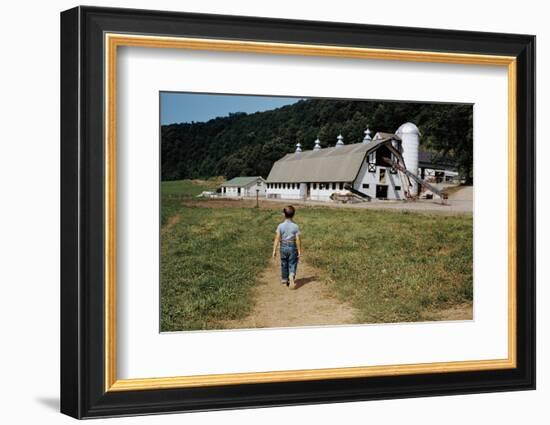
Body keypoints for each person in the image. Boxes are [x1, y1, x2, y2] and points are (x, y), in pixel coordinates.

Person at [272, 205, 302, 289]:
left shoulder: (280, 226)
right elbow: (298, 240)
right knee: (292, 263)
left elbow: (277, 238)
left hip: (283, 246)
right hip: (292, 246)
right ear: (293, 215)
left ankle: (285, 278)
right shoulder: (295, 226)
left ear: (283, 214)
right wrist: (299, 251)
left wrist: (274, 250)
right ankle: (291, 275)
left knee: (284, 262)